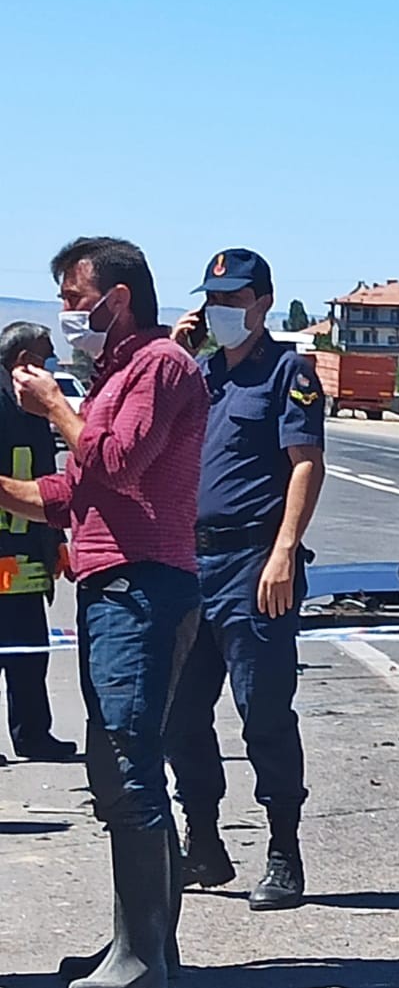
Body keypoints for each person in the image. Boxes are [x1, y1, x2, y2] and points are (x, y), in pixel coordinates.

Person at [0, 236, 207, 988]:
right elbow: (71, 494)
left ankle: (143, 957)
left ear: (117, 299)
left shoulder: (160, 365)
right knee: (118, 773)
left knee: (127, 765)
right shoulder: (118, 374)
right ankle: (140, 946)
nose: (64, 312)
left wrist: (55, 406)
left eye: (73, 297)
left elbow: (117, 461)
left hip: (142, 588)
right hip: (115, 588)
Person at [165, 249, 327, 913]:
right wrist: (173, 356)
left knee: (263, 712)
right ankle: (203, 840)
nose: (219, 310)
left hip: (254, 566)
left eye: (232, 298)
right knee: (180, 713)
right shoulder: (198, 375)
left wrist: (283, 551)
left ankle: (283, 850)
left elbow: (306, 464)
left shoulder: (288, 372)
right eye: (212, 299)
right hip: (189, 565)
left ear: (262, 302)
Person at [0, 321, 75, 762]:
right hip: (4, 556)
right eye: (46, 357)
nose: (51, 366)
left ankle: (33, 735)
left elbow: (46, 480)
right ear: (24, 360)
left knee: (29, 653)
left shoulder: (30, 404)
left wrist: (56, 541)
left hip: (26, 559)